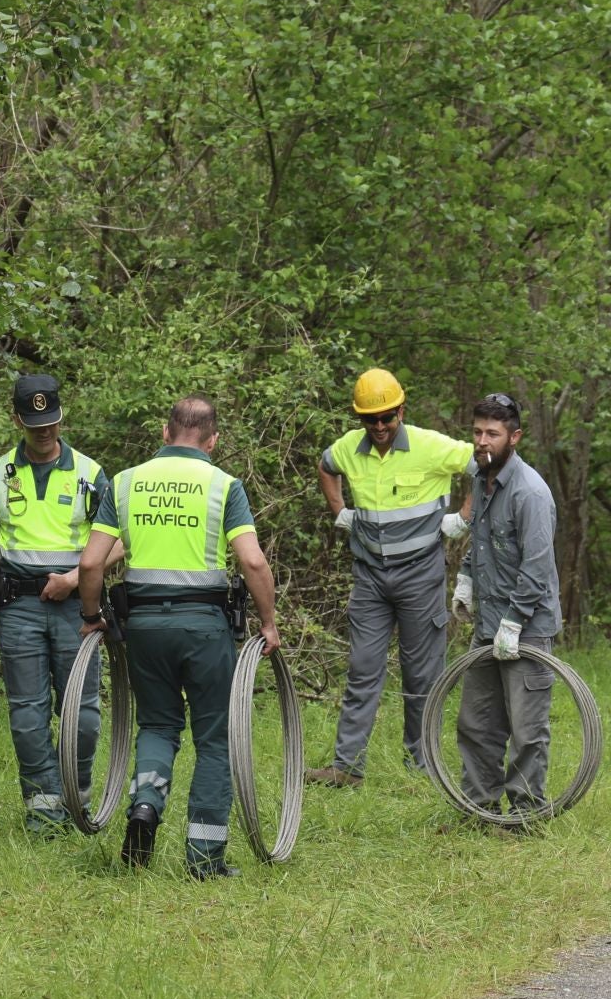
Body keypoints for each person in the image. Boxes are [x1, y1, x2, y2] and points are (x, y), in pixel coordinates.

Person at [76, 394, 280, 878]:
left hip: (143, 627)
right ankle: (205, 859)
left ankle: (145, 807)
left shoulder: (125, 482)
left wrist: (91, 616)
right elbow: (251, 561)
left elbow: (90, 563)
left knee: (158, 726)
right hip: (205, 628)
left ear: (165, 434)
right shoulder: (223, 485)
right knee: (214, 739)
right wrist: (269, 622)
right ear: (213, 441)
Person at [0, 374, 121, 833]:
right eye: (34, 424)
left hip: (77, 607)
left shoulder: (90, 473)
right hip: (19, 608)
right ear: (16, 419)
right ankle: (44, 809)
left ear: (60, 416)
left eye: (50, 422)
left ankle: (78, 797)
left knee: (83, 714)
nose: (44, 431)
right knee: (28, 715)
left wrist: (76, 579)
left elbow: (117, 543)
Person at [307, 368, 473, 788]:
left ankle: (422, 766)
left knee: (422, 675)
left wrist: (462, 520)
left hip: (421, 574)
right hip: (370, 578)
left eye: (386, 417)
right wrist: (339, 512)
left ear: (401, 410)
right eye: (370, 419)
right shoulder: (348, 448)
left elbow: (483, 464)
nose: (379, 427)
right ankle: (347, 768)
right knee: (362, 669)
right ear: (359, 418)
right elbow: (325, 466)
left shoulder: (429, 445)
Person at [453, 392, 561, 816]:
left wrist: (514, 622)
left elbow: (536, 568)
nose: (483, 441)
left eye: (493, 434)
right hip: (487, 625)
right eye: (478, 432)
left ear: (513, 437)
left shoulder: (530, 493)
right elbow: (480, 541)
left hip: (526, 627)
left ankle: (526, 814)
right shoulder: (481, 480)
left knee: (527, 729)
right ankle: (479, 806)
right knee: (476, 722)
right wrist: (465, 578)